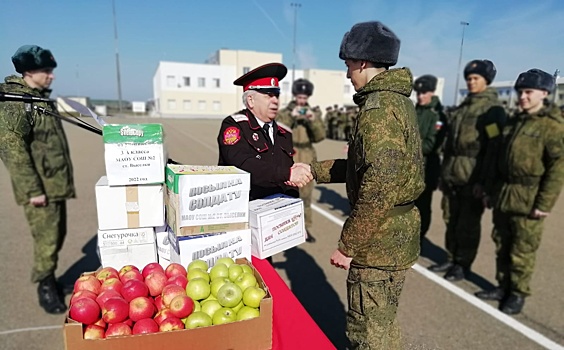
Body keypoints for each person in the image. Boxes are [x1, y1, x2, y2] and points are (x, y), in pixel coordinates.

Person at [302, 21, 424, 349]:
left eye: (348, 65)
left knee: (367, 333)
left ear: (363, 63)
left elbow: (380, 185)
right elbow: (364, 167)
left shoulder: (379, 110)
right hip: (395, 235)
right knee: (383, 323)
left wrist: (347, 246)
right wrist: (313, 169)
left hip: (379, 242)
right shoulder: (397, 102)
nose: (347, 74)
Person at [475, 69, 564, 315]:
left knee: (522, 249)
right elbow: (497, 159)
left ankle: (518, 292)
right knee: (502, 243)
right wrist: (490, 190)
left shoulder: (552, 127)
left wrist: (544, 204)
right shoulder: (514, 122)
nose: (522, 97)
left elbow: (557, 170)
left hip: (529, 196)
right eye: (520, 92)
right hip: (504, 193)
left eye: (528, 92)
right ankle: (502, 286)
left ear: (544, 94)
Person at [0, 45, 75, 314]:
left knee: (57, 234)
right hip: (40, 188)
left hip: (53, 184)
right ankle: (45, 287)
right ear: (30, 71)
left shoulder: (37, 98)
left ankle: (51, 279)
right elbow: (11, 148)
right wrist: (33, 189)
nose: (51, 76)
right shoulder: (16, 102)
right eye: (47, 71)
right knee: (46, 239)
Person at [429, 59, 506, 281]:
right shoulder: (463, 108)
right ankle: (451, 258)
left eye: (476, 79)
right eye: (469, 79)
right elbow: (449, 147)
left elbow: (493, 149)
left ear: (486, 81)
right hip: (453, 173)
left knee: (468, 225)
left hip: (473, 177)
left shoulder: (492, 111)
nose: (471, 82)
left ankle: (463, 264)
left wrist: (484, 183)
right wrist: (444, 174)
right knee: (450, 219)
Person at [276, 79, 325, 243]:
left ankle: (305, 228)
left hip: (307, 155)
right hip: (290, 155)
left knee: (305, 195)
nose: (302, 101)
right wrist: (292, 117)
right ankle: (283, 229)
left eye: (305, 98)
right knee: (286, 195)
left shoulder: (314, 113)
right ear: (294, 96)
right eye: (299, 97)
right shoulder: (284, 112)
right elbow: (278, 132)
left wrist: (312, 121)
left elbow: (319, 137)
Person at [413, 75, 447, 242]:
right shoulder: (414, 111)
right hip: (409, 167)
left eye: (424, 93)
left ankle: (419, 237)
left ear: (432, 93)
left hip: (427, 168)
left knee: (423, 206)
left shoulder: (438, 115)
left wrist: (408, 146)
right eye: (418, 93)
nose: (420, 96)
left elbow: (431, 145)